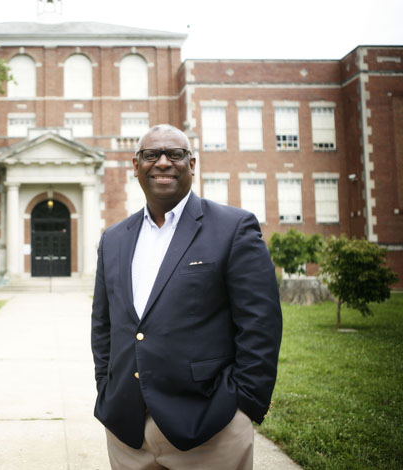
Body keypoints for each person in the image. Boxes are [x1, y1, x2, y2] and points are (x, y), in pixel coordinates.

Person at [91, 124, 282, 469]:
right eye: (151, 155)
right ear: (136, 166)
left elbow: (260, 324)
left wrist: (244, 405)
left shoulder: (233, 228)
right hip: (127, 431)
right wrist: (106, 387)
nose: (163, 162)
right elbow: (104, 324)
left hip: (210, 427)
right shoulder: (114, 239)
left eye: (175, 154)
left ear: (192, 165)